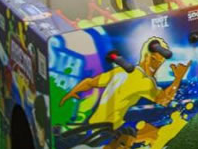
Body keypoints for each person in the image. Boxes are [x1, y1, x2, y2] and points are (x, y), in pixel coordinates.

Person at [59, 37, 190, 130]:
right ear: (152, 58)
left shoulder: (121, 70)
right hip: (107, 129)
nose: (160, 64)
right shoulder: (144, 82)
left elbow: (89, 82)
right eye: (160, 60)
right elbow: (164, 100)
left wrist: (71, 93)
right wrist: (178, 78)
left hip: (94, 124)